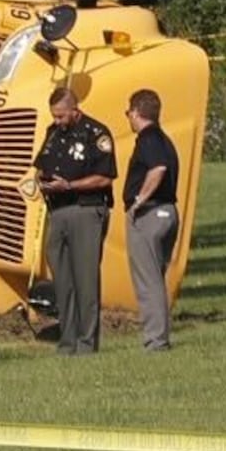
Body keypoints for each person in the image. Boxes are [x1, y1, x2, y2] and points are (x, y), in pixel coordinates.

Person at [34, 85, 118, 355]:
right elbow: (41, 165)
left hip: (85, 209)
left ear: (75, 109)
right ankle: (67, 340)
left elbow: (104, 177)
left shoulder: (96, 134)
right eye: (54, 116)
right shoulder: (53, 133)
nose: (57, 121)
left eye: (61, 116)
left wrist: (69, 186)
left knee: (85, 279)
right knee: (62, 278)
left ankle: (86, 343)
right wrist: (41, 181)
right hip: (57, 210)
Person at [123, 89, 181, 351]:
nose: (128, 118)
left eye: (128, 113)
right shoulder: (165, 139)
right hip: (168, 212)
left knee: (148, 282)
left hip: (150, 215)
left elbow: (158, 168)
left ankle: (156, 341)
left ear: (136, 112)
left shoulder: (149, 139)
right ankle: (158, 337)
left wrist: (139, 200)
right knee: (155, 277)